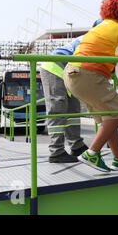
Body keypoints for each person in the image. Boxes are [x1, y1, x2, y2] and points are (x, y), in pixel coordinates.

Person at [63, 0, 118, 172]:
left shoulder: (100, 27)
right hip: (89, 75)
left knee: (108, 119)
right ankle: (92, 153)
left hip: (72, 74)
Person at [40, 19, 103, 163]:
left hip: (69, 71)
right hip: (54, 67)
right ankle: (56, 152)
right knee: (58, 108)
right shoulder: (90, 40)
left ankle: (76, 146)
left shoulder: (100, 43)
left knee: (73, 109)